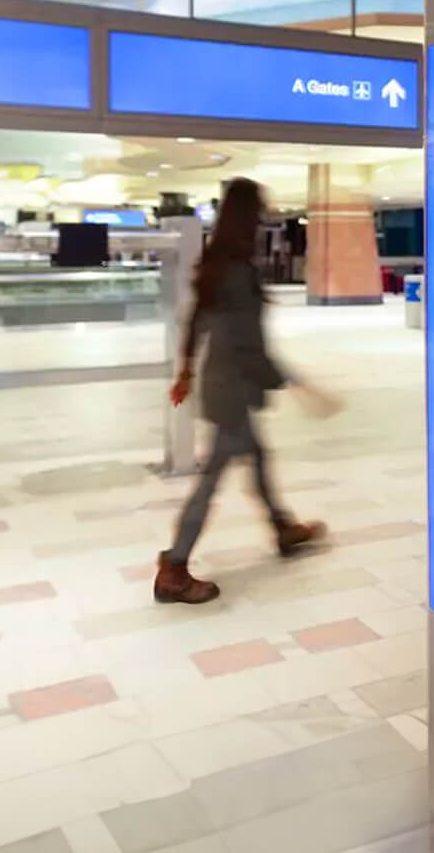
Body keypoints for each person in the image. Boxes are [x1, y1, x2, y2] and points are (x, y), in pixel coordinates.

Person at [158, 178, 329, 604]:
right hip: (233, 388)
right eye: (260, 209)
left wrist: (186, 370)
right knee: (213, 478)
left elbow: (196, 321)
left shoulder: (218, 262)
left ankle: (283, 528)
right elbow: (248, 344)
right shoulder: (236, 270)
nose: (265, 215)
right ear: (247, 216)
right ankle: (175, 567)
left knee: (257, 457)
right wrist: (291, 380)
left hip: (223, 381)